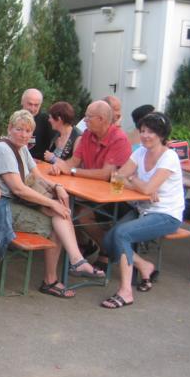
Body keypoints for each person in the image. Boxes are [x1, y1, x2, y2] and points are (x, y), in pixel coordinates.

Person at [0, 110, 104, 299]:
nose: (23, 135)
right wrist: (51, 203)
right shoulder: (3, 149)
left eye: (27, 131)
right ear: (9, 128)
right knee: (57, 223)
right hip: (0, 209)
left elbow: (37, 176)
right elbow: (18, 189)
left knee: (61, 212)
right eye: (19, 129)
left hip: (19, 202)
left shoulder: (21, 147)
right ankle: (52, 279)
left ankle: (76, 260)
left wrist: (57, 186)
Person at [101, 112, 184, 308]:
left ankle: (125, 292)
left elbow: (144, 188)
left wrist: (134, 180)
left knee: (122, 234)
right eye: (143, 131)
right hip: (143, 209)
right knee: (108, 240)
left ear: (161, 135)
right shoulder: (140, 153)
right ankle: (144, 265)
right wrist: (139, 184)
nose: (145, 135)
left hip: (166, 215)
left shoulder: (169, 157)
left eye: (151, 132)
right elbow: (117, 177)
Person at [49, 100, 132, 268]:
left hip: (116, 197)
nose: (85, 120)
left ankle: (106, 250)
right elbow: (73, 161)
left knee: (79, 214)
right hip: (90, 191)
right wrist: (60, 167)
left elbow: (105, 174)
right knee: (65, 206)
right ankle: (87, 246)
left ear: (101, 119)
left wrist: (72, 171)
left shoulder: (119, 139)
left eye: (88, 117)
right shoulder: (87, 134)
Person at [21, 88, 53, 160]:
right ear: (22, 102)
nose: (32, 109)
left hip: (39, 162)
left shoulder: (47, 120)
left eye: (36, 105)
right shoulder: (16, 118)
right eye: (30, 104)